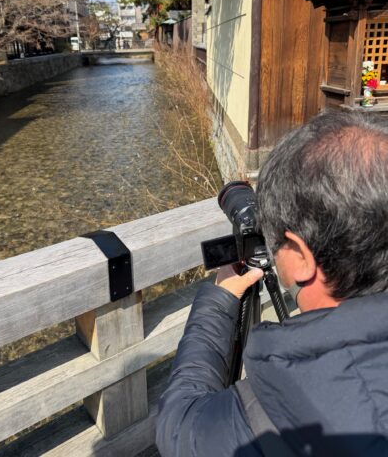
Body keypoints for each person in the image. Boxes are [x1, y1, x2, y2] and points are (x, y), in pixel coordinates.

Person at [156, 110, 388, 457]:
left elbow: (179, 425)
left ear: (300, 256)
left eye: (276, 237)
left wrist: (218, 300)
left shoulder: (280, 415)